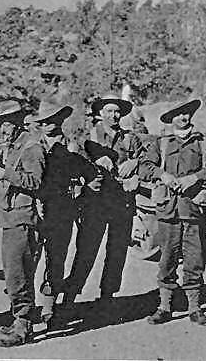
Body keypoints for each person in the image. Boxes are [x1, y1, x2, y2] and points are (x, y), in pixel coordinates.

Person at [139, 99, 206, 326]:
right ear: (170, 119)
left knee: (194, 259)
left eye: (186, 113)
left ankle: (195, 308)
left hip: (193, 208)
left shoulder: (204, 142)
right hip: (168, 209)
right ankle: (164, 307)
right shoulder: (162, 143)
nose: (183, 117)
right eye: (178, 114)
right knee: (167, 258)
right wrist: (162, 175)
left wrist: (194, 178)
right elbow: (144, 167)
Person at [63, 94, 143, 318]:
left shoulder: (130, 139)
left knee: (117, 252)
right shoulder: (87, 136)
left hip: (122, 202)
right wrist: (92, 162)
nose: (114, 115)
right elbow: (72, 159)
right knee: (86, 251)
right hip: (94, 203)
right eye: (109, 111)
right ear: (100, 113)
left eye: (117, 111)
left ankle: (107, 299)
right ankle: (69, 299)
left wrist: (134, 164)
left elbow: (147, 160)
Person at [0, 99, 46, 347]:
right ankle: (19, 319)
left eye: (8, 121)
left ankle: (23, 325)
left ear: (20, 121)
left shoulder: (31, 147)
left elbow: (36, 182)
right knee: (13, 273)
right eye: (0, 122)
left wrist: (5, 173)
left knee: (18, 272)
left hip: (23, 218)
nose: (4, 127)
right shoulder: (11, 147)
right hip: (10, 216)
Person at [33, 101, 93, 328]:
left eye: (53, 119)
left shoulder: (72, 147)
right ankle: (25, 309)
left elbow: (88, 172)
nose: (49, 124)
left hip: (61, 209)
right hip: (34, 207)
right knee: (30, 258)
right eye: (45, 120)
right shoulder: (31, 144)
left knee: (56, 257)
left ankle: (49, 305)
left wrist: (78, 189)